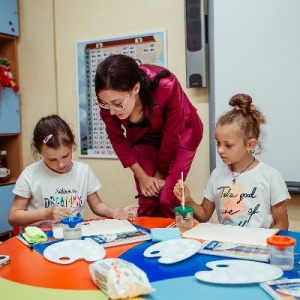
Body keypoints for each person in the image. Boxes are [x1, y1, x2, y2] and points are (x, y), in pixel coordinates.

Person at [94, 54, 203, 218]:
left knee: (168, 198)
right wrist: (143, 177)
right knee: (148, 199)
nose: (111, 111)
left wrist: (159, 174)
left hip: (182, 131)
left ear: (135, 89)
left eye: (117, 104)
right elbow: (116, 138)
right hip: (143, 136)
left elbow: (173, 135)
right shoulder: (107, 97)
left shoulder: (166, 85)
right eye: (105, 104)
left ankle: (172, 240)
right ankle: (147, 240)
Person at [174, 93, 290, 230]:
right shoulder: (217, 175)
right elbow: (204, 215)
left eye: (228, 145)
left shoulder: (270, 176)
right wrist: (188, 200)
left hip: (258, 248)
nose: (220, 150)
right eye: (218, 143)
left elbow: (282, 225)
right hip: (226, 246)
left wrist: (261, 244)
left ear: (250, 145)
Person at [8, 114, 138, 229]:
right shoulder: (31, 174)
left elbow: (97, 205)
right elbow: (13, 217)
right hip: (40, 239)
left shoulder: (83, 171)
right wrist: (46, 213)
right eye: (52, 159)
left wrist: (113, 212)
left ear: (72, 146)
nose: (61, 164)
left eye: (65, 156)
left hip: (72, 235)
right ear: (39, 152)